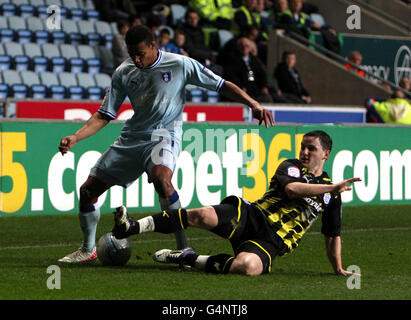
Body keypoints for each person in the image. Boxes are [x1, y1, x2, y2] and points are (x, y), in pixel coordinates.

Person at [57, 25, 274, 263]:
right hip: (132, 137)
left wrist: (253, 104)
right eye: (132, 54)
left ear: (153, 45)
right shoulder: (123, 72)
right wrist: (76, 137)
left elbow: (222, 85)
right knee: (87, 191)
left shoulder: (181, 64)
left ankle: (183, 248)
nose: (137, 60)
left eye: (140, 53)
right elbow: (104, 114)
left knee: (162, 180)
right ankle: (88, 249)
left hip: (165, 134)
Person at [111, 130, 361, 276]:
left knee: (248, 267)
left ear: (325, 154)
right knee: (202, 215)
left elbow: (332, 234)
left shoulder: (333, 195)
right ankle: (131, 227)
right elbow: (292, 190)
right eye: (303, 147)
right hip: (252, 216)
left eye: (311, 149)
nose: (304, 153)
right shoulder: (291, 166)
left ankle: (188, 258)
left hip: (273, 241)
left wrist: (337, 267)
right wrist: (332, 186)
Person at [223, 37, 273, 103]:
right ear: (238, 47)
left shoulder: (254, 59)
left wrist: (264, 86)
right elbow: (231, 76)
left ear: (250, 48)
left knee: (269, 98)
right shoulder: (232, 59)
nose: (244, 48)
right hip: (242, 90)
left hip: (255, 89)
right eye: (242, 46)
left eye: (247, 46)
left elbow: (262, 74)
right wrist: (240, 87)